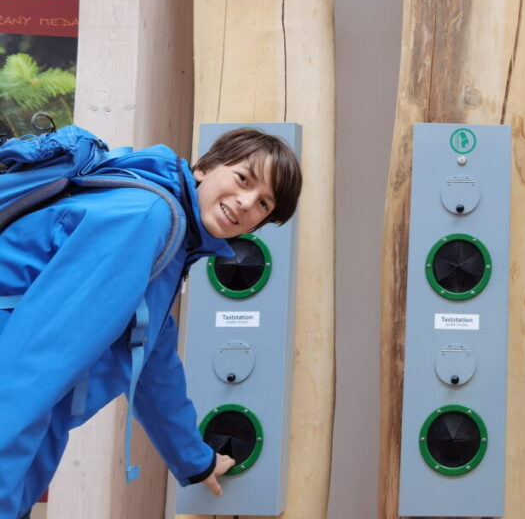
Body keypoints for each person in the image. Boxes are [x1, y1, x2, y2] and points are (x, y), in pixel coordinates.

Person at [0, 127, 302, 519]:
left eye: (264, 204)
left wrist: (195, 461)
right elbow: (34, 365)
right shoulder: (146, 219)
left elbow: (154, 360)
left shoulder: (173, 238)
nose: (246, 203)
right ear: (205, 167)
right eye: (243, 179)